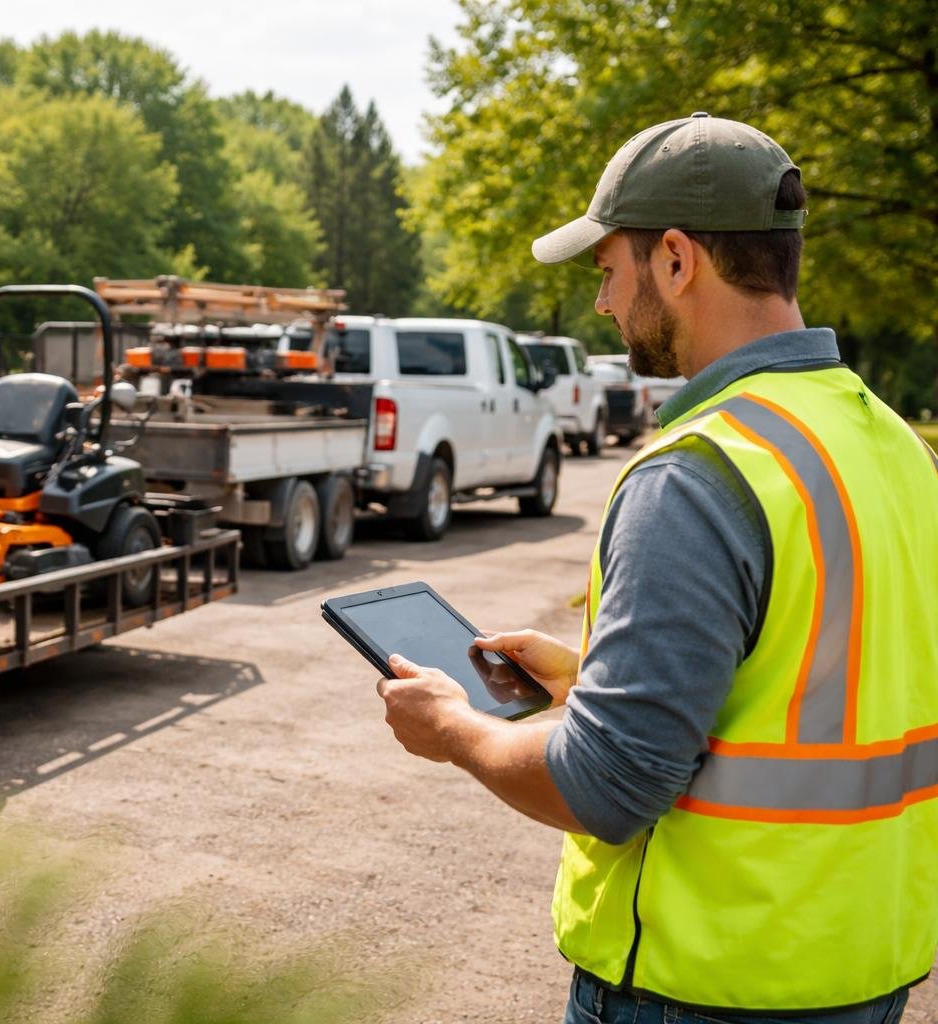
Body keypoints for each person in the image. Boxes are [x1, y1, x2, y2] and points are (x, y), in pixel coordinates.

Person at [374, 113, 938, 1023]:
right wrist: (595, 683)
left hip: (702, 983)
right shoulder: (892, 444)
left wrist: (453, 729)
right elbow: (826, 670)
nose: (602, 304)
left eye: (608, 270)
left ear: (676, 260)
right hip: (866, 971)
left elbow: (606, 783)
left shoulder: (698, 472)